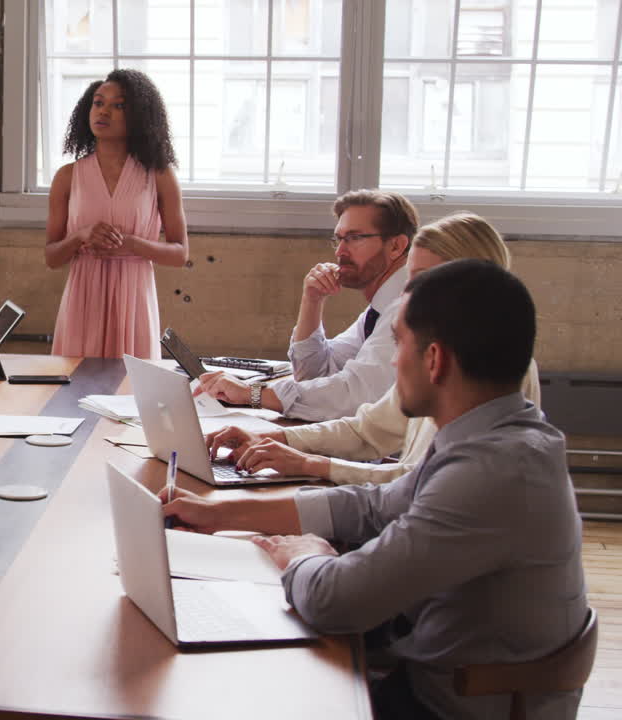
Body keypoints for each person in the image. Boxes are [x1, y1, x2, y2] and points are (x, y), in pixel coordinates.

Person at [163, 260, 587, 720]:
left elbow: (335, 602)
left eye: (398, 342)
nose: (390, 359)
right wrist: (219, 513)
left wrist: (301, 554)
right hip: (439, 677)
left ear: (435, 360)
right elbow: (373, 505)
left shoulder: (489, 472)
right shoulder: (497, 435)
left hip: (442, 708)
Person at [205, 212, 541, 485]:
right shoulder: (426, 338)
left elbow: (416, 483)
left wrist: (311, 464)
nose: (410, 291)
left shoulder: (486, 365)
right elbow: (366, 430)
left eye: (424, 277)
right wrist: (273, 438)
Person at [198, 190, 416, 421]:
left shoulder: (407, 309)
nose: (340, 251)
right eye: (339, 239)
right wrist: (312, 300)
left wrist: (251, 394)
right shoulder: (378, 310)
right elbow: (313, 374)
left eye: (354, 238)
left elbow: (353, 397)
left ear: (396, 246)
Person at [44, 68, 188, 359]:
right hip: (82, 301)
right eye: (98, 103)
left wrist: (131, 244)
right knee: (73, 395)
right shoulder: (67, 176)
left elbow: (180, 253)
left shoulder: (158, 175)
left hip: (134, 299)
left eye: (118, 105)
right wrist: (80, 236)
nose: (104, 111)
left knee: (132, 394)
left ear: (138, 115)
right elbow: (52, 257)